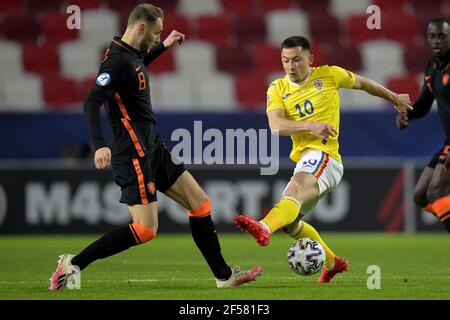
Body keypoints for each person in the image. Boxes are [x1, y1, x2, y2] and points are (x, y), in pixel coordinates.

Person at [49, 3, 262, 291]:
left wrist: (165, 46)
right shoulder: (115, 61)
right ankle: (72, 263)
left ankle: (224, 277)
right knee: (145, 230)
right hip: (133, 153)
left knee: (200, 204)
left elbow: (136, 70)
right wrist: (98, 145)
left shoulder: (130, 57)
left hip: (153, 147)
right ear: (141, 28)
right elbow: (91, 100)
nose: (156, 38)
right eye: (156, 33)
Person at [234, 35, 412, 283]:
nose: (291, 66)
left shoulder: (329, 75)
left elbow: (363, 83)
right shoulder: (277, 88)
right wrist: (310, 126)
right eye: (285, 61)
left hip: (325, 156)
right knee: (291, 222)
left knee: (295, 190)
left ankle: (264, 226)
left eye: (296, 60)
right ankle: (333, 262)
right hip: (306, 158)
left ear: (310, 58)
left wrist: (394, 98)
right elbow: (275, 125)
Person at [396, 17, 450, 232]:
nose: (437, 41)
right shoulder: (432, 67)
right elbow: (425, 103)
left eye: (442, 36)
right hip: (447, 143)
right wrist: (407, 115)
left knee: (436, 192)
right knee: (420, 195)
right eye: (432, 36)